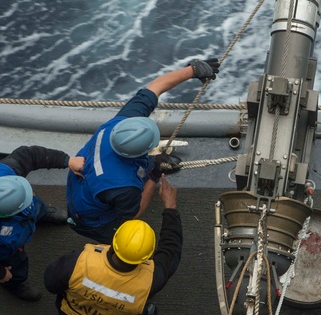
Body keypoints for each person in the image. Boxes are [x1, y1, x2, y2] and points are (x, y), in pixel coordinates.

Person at [65, 58, 219, 243]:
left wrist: (193, 70)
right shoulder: (124, 187)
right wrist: (153, 175)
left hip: (77, 186)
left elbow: (155, 88)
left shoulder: (119, 125)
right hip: (91, 219)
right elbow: (134, 212)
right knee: (122, 233)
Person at [44, 175, 183, 315]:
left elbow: (50, 283)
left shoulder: (80, 262)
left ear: (115, 241)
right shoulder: (150, 280)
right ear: (147, 257)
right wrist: (170, 207)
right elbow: (171, 251)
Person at [0, 145, 85, 301]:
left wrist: (67, 160)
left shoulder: (2, 173)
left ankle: (43, 214)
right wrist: (0, 273)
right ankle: (14, 283)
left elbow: (31, 155)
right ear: (10, 214)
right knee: (16, 267)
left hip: (28, 212)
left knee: (36, 205)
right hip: (9, 249)